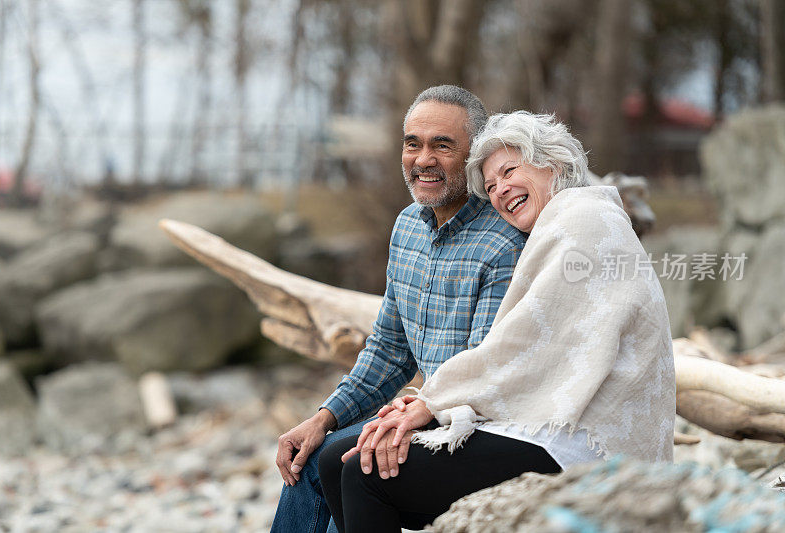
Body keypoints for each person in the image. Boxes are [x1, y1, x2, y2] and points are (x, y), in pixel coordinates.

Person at [318, 111, 676, 533]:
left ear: (552, 163)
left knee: (365, 473)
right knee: (338, 461)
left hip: (588, 445)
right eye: (490, 187)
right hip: (559, 429)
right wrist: (427, 402)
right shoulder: (569, 221)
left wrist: (431, 402)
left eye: (510, 171)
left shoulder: (583, 223)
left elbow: (527, 346)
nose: (501, 190)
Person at [270, 86, 528, 533]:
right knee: (310, 455)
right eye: (413, 143)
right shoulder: (407, 226)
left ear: (474, 155)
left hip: (471, 426)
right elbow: (389, 349)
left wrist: (405, 418)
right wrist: (323, 417)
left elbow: (481, 376)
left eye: (442, 145)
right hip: (423, 410)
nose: (423, 158)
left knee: (347, 458)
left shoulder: (504, 242)